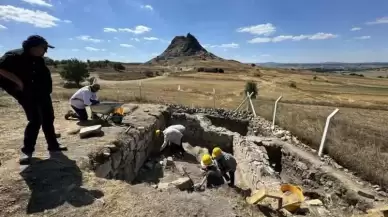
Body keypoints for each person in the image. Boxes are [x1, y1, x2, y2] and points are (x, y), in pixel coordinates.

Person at [0, 35, 67, 164]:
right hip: (26, 94)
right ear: (34, 47)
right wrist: (18, 82)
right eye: (44, 48)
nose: (45, 51)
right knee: (35, 120)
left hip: (42, 93)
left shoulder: (39, 59)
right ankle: (27, 152)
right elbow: (1, 69)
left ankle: (53, 146)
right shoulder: (13, 56)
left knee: (49, 118)